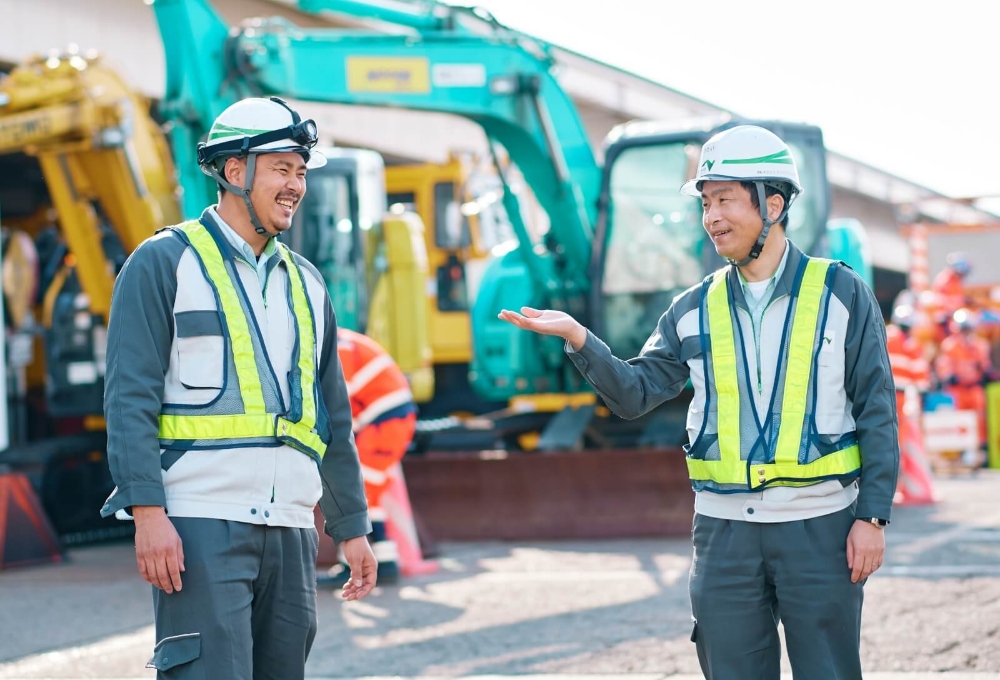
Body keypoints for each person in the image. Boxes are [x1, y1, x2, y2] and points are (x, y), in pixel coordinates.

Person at [500, 125, 899, 679]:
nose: (712, 217)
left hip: (820, 528)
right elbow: (635, 393)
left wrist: (872, 517)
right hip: (724, 534)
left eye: (725, 200)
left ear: (773, 202)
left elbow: (877, 407)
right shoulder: (693, 307)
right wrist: (579, 338)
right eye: (706, 203)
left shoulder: (841, 293)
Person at [100, 97, 376, 680]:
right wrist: (147, 514)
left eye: (301, 171)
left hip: (293, 528)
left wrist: (351, 528)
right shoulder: (162, 263)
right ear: (234, 171)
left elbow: (330, 419)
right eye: (282, 168)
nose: (296, 186)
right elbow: (129, 400)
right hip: (201, 522)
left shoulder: (309, 284)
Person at [325, 327, 417, 584]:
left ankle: (352, 568)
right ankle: (385, 562)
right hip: (386, 422)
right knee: (368, 495)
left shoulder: (336, 345)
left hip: (383, 425)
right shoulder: (342, 340)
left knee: (358, 494)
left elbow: (337, 396)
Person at [935, 308, 994, 458]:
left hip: (974, 388)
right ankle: (961, 452)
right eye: (964, 329)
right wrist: (948, 376)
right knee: (959, 419)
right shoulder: (950, 346)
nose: (966, 332)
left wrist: (985, 372)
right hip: (958, 389)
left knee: (979, 418)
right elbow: (944, 366)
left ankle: (979, 449)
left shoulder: (979, 346)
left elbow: (984, 366)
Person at [932, 251, 972, 320]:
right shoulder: (945, 279)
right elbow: (939, 299)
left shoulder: (956, 280)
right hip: (944, 316)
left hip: (956, 313)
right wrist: (959, 300)